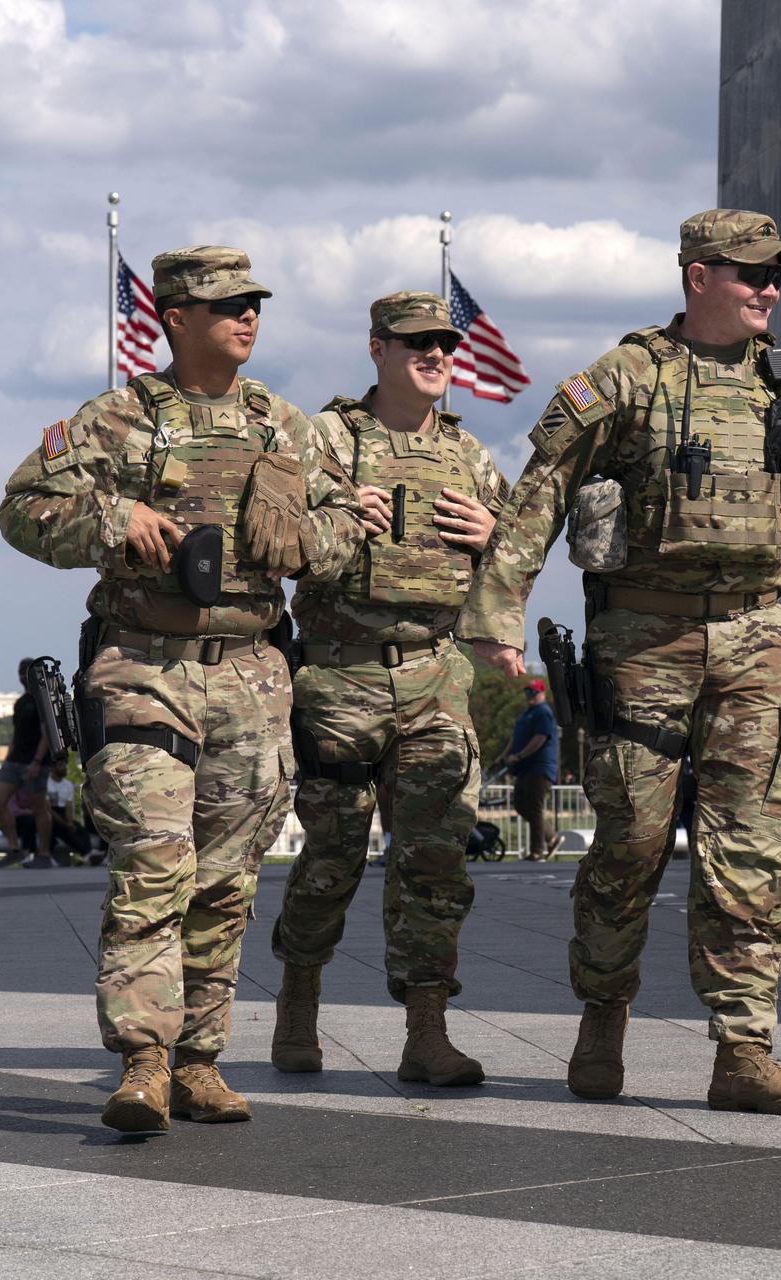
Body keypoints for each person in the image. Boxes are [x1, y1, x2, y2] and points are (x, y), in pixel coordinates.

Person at [458, 209, 781, 1115]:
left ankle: (744, 1051)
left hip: (756, 637)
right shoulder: (626, 378)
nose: (769, 289)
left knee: (754, 851)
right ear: (698, 277)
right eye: (750, 274)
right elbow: (540, 492)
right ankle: (602, 1018)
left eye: (776, 276)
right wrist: (499, 611)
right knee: (630, 845)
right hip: (640, 643)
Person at [0, 245, 365, 1132]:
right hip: (141, 668)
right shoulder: (115, 420)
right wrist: (110, 517)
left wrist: (311, 541)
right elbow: (21, 507)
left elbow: (354, 524)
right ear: (175, 318)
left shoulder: (289, 427)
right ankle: (144, 1060)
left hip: (251, 672)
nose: (248, 318)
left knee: (227, 880)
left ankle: (201, 1059)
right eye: (227, 305)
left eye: (254, 304)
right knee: (153, 865)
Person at [268, 290, 508, 1088]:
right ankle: (297, 1007)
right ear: (377, 349)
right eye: (417, 343)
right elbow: (277, 541)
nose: (436, 355)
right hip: (340, 674)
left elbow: (518, 553)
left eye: (445, 342)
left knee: (436, 860)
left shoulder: (471, 455)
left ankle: (426, 1033)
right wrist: (334, 517)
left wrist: (494, 536)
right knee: (331, 856)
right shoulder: (326, 438)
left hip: (436, 673)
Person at [0, 660, 54, 868]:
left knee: (38, 808)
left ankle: (44, 853)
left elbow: (46, 734)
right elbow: (16, 736)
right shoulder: (21, 702)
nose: (21, 676)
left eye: (25, 672)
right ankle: (14, 848)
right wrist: (6, 761)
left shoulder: (42, 701)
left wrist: (37, 761)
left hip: (34, 762)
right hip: (15, 761)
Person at [503, 679, 560, 861]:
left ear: (542, 693)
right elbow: (515, 738)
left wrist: (519, 755)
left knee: (534, 809)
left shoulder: (543, 713)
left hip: (539, 766)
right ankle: (551, 836)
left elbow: (540, 738)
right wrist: (504, 755)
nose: (530, 696)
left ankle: (537, 850)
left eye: (534, 692)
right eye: (528, 693)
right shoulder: (527, 713)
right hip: (525, 768)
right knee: (521, 805)